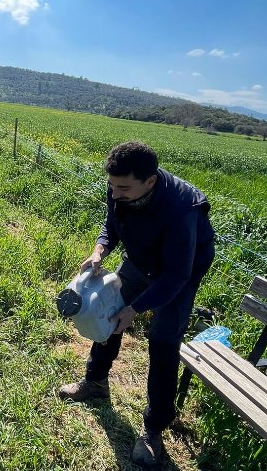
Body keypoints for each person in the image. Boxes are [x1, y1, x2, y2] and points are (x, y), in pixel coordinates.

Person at [58, 141, 215, 467]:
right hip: (140, 259)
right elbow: (111, 224)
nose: (115, 194)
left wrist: (134, 310)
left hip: (178, 273)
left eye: (123, 188)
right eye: (112, 187)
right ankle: (96, 382)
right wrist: (100, 250)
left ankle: (154, 428)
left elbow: (176, 276)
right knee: (106, 312)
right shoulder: (121, 185)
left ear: (150, 181)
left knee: (162, 342)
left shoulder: (180, 210)